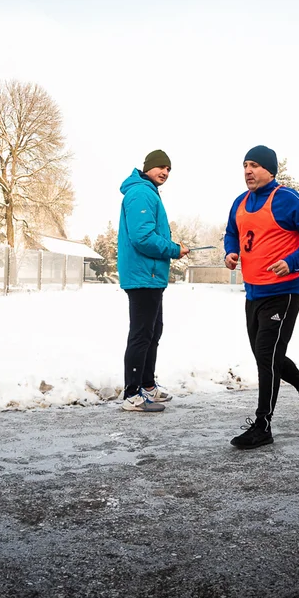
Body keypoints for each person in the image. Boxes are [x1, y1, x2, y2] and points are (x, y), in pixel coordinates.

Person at [223, 145, 299, 448]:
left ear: (270, 169)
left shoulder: (287, 199)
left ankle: (263, 425)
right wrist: (231, 252)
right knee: (265, 356)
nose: (248, 171)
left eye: (254, 165)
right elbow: (232, 232)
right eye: (245, 165)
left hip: (283, 292)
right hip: (253, 291)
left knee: (267, 356)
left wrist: (293, 261)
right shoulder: (240, 203)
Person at [117, 149, 189, 413]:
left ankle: (147, 385)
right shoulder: (141, 193)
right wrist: (173, 248)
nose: (165, 173)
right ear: (147, 167)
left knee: (152, 332)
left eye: (168, 169)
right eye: (161, 167)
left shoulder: (147, 191)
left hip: (150, 276)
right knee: (141, 335)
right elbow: (142, 237)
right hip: (142, 276)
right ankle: (132, 394)